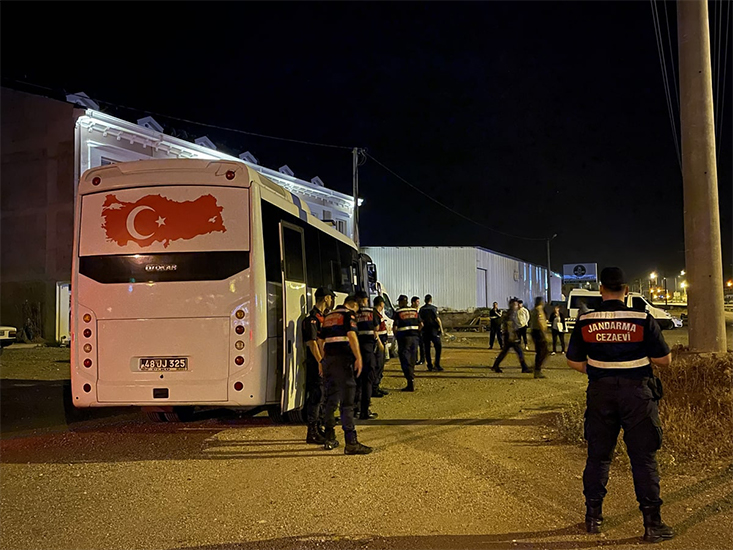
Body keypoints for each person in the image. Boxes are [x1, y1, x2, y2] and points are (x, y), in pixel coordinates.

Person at [566, 267, 674, 542]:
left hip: (600, 393)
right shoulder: (642, 318)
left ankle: (593, 518)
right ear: (626, 290)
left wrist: (602, 370)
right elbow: (664, 360)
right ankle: (652, 524)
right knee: (643, 458)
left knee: (598, 457)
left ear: (601, 290)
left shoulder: (586, 320)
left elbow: (574, 362)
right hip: (638, 395)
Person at [318, 295, 372, 455]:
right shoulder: (348, 315)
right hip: (344, 360)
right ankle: (351, 442)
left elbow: (320, 340)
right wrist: (358, 357)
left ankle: (329, 437)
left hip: (329, 361)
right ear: (354, 304)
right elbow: (352, 335)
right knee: (347, 402)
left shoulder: (328, 316)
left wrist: (323, 359)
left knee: (330, 400)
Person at [302, 287, 334, 444]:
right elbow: (312, 343)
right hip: (316, 363)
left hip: (322, 362)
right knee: (316, 397)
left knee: (321, 396)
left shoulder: (323, 317)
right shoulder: (312, 319)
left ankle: (318, 427)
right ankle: (312, 432)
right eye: (331, 298)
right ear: (326, 298)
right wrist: (321, 362)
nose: (332, 301)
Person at [353, 290, 379, 420]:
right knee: (367, 380)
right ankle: (364, 411)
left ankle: (355, 410)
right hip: (368, 350)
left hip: (354, 349)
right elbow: (377, 327)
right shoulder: (371, 312)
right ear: (364, 300)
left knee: (356, 380)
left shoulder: (352, 314)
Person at [491, 299, 530, 373]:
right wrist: (512, 337)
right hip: (511, 337)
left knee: (505, 352)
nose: (517, 306)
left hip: (510, 336)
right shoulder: (511, 314)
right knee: (519, 352)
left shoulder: (511, 313)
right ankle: (524, 368)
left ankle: (496, 365)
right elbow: (509, 326)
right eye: (515, 304)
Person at [393, 294, 420, 391]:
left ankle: (410, 380)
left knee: (405, 359)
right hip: (415, 338)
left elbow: (395, 327)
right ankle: (411, 378)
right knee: (412, 358)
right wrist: (417, 333)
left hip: (404, 339)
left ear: (400, 302)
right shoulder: (414, 311)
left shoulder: (399, 312)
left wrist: (397, 337)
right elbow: (421, 324)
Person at [419, 294, 443, 371]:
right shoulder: (434, 308)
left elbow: (420, 321)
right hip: (434, 331)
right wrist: (441, 329)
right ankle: (437, 364)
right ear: (431, 300)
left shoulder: (421, 309)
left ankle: (429, 365)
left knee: (427, 349)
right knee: (438, 347)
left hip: (425, 331)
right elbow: (437, 319)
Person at [372, 296, 389, 398]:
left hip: (382, 343)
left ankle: (377, 387)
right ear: (381, 304)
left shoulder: (377, 314)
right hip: (379, 344)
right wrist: (379, 343)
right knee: (378, 365)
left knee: (381, 365)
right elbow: (375, 331)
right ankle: (374, 388)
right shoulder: (375, 314)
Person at [529, 296, 549, 378]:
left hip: (534, 331)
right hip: (539, 332)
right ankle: (537, 369)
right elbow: (540, 321)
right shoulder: (539, 310)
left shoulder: (533, 310)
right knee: (543, 352)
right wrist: (544, 333)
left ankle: (536, 367)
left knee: (540, 352)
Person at [411, 296, 425, 365]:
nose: (418, 303)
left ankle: (422, 359)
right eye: (417, 302)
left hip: (420, 330)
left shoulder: (420, 310)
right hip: (413, 330)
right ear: (413, 302)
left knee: (422, 345)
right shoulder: (410, 311)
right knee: (414, 346)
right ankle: (415, 359)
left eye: (418, 302)